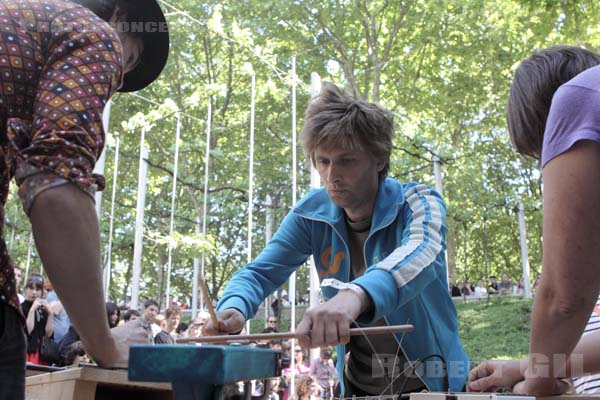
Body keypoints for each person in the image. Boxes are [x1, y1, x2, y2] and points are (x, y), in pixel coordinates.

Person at [204, 82, 469, 395]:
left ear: (380, 159)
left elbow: (421, 253)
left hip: (436, 386)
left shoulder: (420, 202)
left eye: (347, 160)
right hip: (357, 388)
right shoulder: (309, 214)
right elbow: (259, 273)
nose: (331, 176)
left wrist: (354, 296)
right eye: (323, 161)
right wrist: (234, 305)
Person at [0, 0, 169, 398]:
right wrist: (105, 344)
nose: (116, 79)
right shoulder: (95, 33)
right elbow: (56, 189)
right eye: (128, 59)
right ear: (121, 17)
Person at [467, 45, 600, 395]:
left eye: (544, 153)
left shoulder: (580, 97)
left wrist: (538, 381)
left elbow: (563, 301)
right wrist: (526, 367)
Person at [20, 274, 54, 365]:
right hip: (27, 351)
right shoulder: (20, 308)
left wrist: (50, 314)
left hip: (42, 353)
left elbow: (48, 334)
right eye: (31, 288)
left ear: (42, 292)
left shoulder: (43, 310)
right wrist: (32, 310)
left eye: (37, 289)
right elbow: (28, 331)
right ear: (25, 289)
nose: (34, 292)